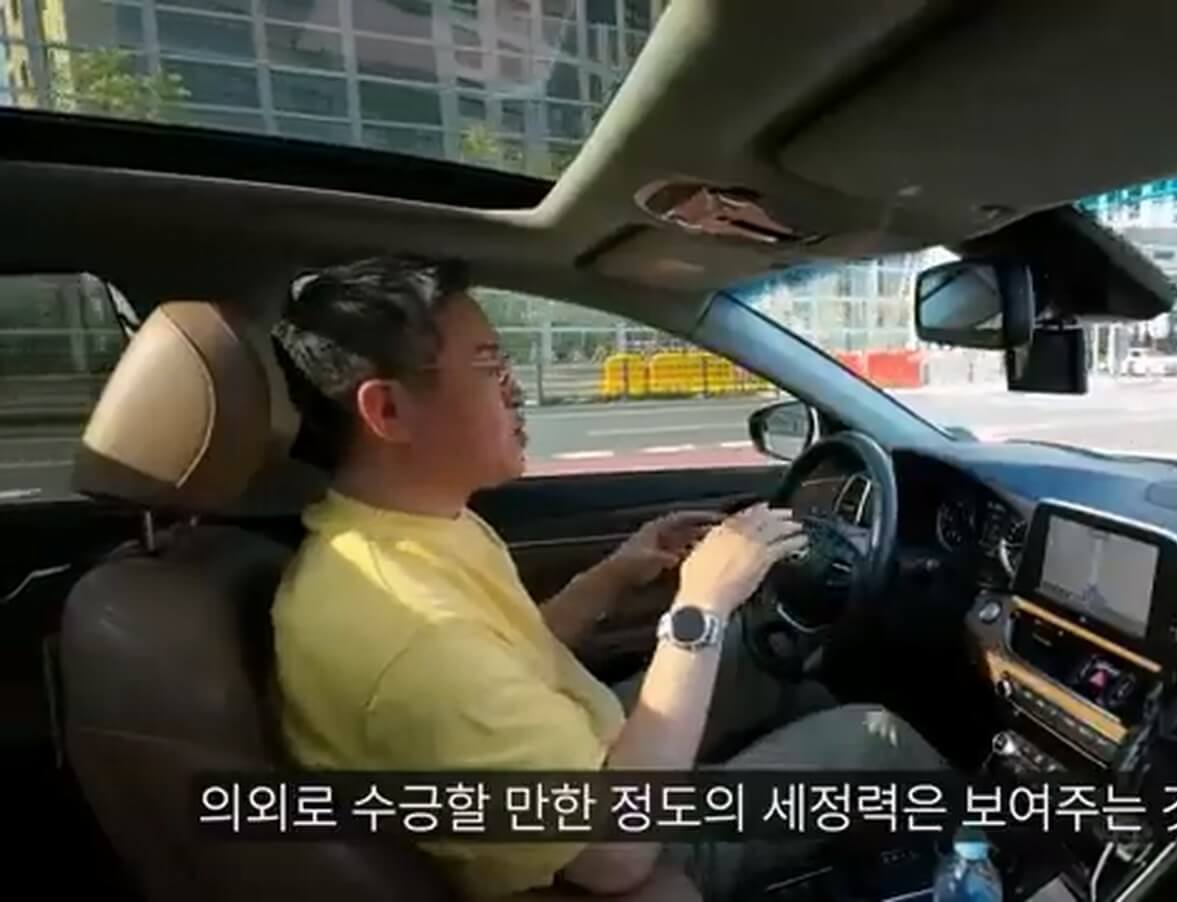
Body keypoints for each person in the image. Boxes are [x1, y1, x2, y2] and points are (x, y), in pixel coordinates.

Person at [266, 255, 948, 901]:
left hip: (580, 750)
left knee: (766, 665)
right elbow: (614, 854)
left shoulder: (398, 531)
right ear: (387, 411)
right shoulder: (413, 639)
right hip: (610, 845)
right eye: (489, 365)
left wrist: (616, 574)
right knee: (871, 739)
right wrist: (700, 609)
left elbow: (510, 655)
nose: (515, 388)